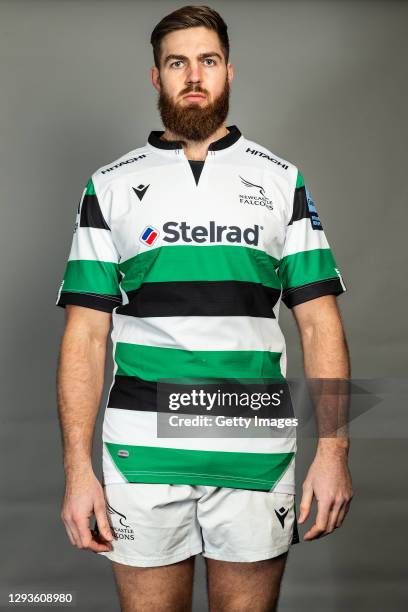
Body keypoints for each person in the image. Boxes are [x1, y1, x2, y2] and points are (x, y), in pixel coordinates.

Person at [55, 5, 353, 611]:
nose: (194, 75)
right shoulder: (108, 186)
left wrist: (334, 452)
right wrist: (77, 471)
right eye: (177, 62)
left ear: (229, 72)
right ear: (156, 77)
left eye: (208, 61)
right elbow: (84, 336)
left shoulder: (282, 181)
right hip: (141, 452)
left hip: (255, 447)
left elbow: (320, 322)